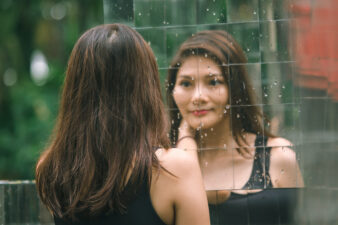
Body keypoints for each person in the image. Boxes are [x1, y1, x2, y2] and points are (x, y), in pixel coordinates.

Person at [35, 24, 210, 225]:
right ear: (146, 86)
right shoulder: (173, 168)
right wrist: (187, 136)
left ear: (75, 88)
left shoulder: (51, 168)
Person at [166, 30, 304, 225]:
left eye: (213, 82)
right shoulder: (161, 163)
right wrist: (185, 141)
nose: (198, 96)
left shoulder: (277, 155)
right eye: (186, 83)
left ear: (235, 89)